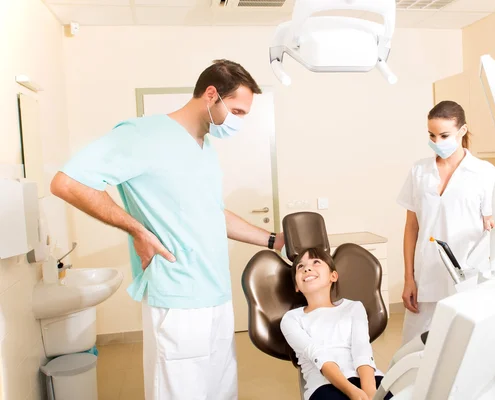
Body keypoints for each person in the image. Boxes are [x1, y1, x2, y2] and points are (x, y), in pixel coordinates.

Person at [50, 59, 284, 400]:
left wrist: (274, 240)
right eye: (237, 111)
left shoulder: (204, 148)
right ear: (210, 95)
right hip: (178, 299)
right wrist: (137, 230)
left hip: (216, 296)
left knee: (220, 392)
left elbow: (211, 214)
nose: (239, 121)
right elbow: (67, 183)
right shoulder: (142, 135)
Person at [397, 100, 495, 345]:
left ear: (462, 131)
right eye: (432, 135)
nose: (437, 141)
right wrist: (409, 278)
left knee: (463, 348)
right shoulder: (419, 171)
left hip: (468, 278)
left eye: (444, 135)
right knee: (414, 349)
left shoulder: (484, 173)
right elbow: (412, 228)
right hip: (426, 275)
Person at [280, 248, 393, 400]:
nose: (307, 268)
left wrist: (370, 391)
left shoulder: (354, 307)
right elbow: (319, 356)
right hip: (324, 385)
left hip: (369, 378)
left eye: (316, 262)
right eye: (300, 267)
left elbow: (362, 350)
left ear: (333, 276)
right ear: (297, 286)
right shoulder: (291, 319)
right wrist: (352, 392)